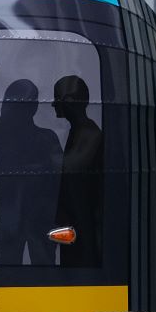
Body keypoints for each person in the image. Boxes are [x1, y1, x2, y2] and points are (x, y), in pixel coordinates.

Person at [0, 79, 62, 265]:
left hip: (14, 211)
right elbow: (59, 177)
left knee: (10, 266)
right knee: (42, 264)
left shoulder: (0, 133)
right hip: (38, 212)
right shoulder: (47, 138)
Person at [53, 74, 104, 267]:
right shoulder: (77, 131)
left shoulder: (90, 133)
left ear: (69, 101)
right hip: (75, 218)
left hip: (84, 221)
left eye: (57, 99)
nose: (52, 104)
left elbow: (72, 166)